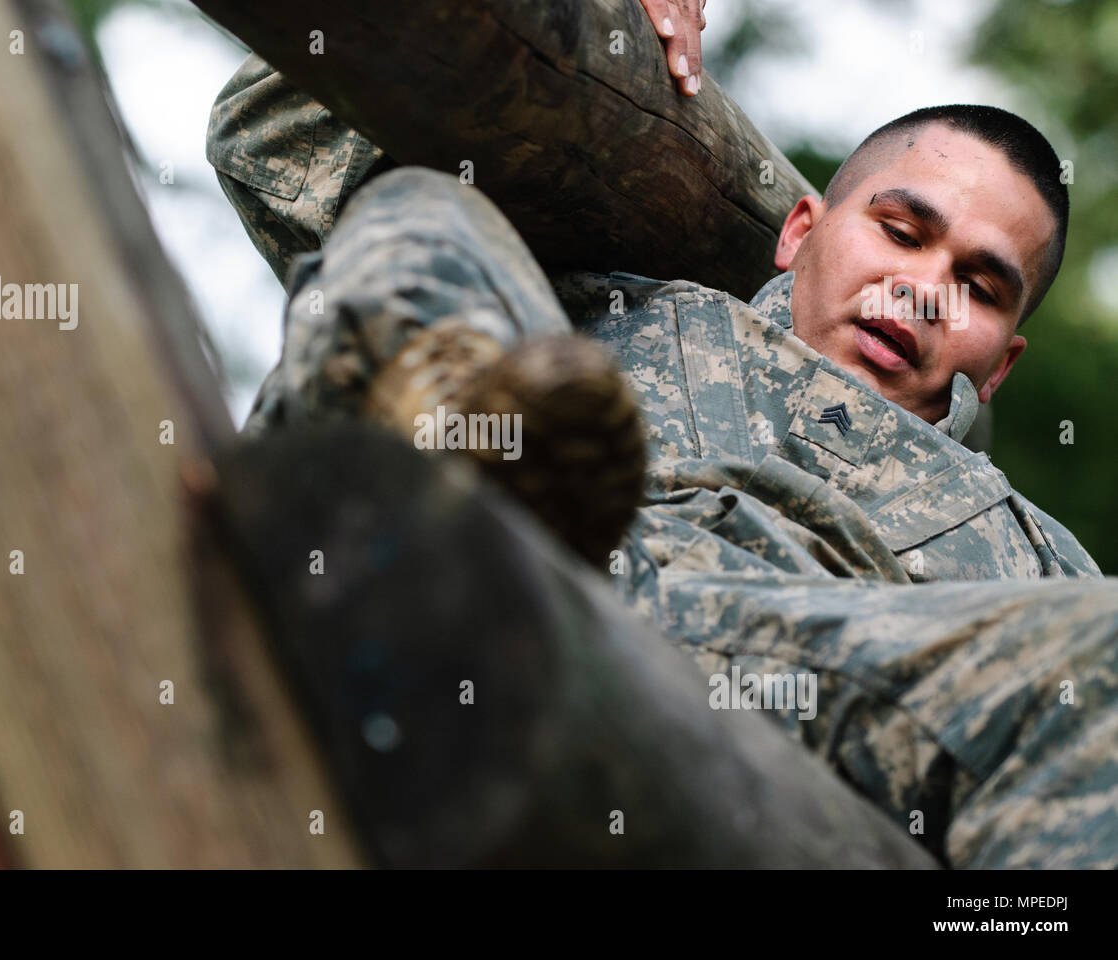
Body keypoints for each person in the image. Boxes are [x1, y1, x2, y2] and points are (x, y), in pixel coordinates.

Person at [204, 8, 1117, 867]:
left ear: (1001, 364)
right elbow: (275, 120)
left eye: (980, 288)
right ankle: (462, 456)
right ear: (800, 230)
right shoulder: (607, 309)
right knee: (427, 207)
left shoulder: (1038, 561)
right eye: (900, 230)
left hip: (790, 703)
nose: (921, 290)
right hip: (484, 540)